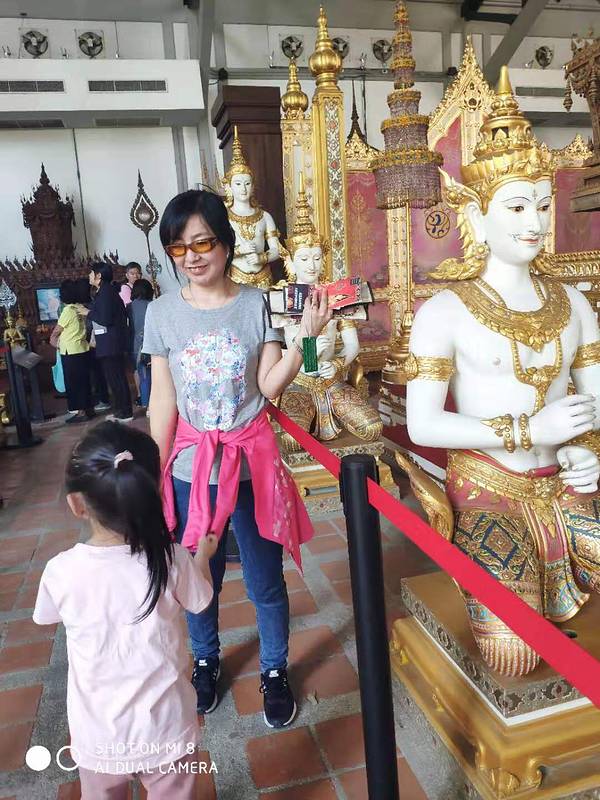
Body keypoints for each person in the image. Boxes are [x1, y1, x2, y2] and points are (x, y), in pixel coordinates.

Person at [405, 68, 600, 678]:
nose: (534, 224)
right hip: (490, 488)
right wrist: (528, 429)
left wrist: (589, 449)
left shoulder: (575, 303)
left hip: (567, 482)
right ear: (476, 211)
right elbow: (423, 424)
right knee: (512, 655)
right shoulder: (444, 311)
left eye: (541, 205)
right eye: (516, 206)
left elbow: (595, 403)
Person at [143, 188, 331, 727]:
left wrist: (306, 339)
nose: (192, 256)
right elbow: (163, 400)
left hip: (250, 467)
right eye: (179, 247)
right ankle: (205, 660)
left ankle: (274, 668)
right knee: (199, 575)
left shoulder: (256, 304)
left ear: (225, 243)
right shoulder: (161, 313)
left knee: (264, 579)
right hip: (190, 470)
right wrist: (155, 472)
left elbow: (270, 386)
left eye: (203, 242)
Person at [33, 421, 217, 799]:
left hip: (97, 736)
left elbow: (47, 615)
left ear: (76, 503)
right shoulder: (172, 559)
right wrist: (204, 556)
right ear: (155, 492)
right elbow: (201, 599)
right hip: (167, 730)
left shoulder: (60, 571)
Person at [88, 262, 134, 422]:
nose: (89, 276)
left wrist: (88, 313)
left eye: (91, 273)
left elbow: (105, 319)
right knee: (114, 378)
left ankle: (125, 412)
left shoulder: (106, 292)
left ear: (98, 275)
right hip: (108, 342)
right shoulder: (103, 291)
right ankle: (120, 410)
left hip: (111, 342)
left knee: (117, 378)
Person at [49, 279, 94, 424]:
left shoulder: (68, 310)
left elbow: (58, 330)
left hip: (70, 351)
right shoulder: (79, 307)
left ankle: (81, 412)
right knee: (84, 380)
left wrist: (53, 339)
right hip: (82, 348)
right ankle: (88, 408)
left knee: (74, 382)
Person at [74, 277, 111, 413]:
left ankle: (102, 399)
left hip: (89, 342)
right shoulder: (93, 302)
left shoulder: (83, 307)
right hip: (95, 342)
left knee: (95, 373)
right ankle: (102, 398)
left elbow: (91, 325)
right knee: (98, 372)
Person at [128, 278, 154, 408]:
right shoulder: (153, 305)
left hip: (135, 344)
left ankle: (144, 401)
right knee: (155, 374)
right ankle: (154, 402)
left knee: (141, 374)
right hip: (152, 343)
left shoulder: (129, 307)